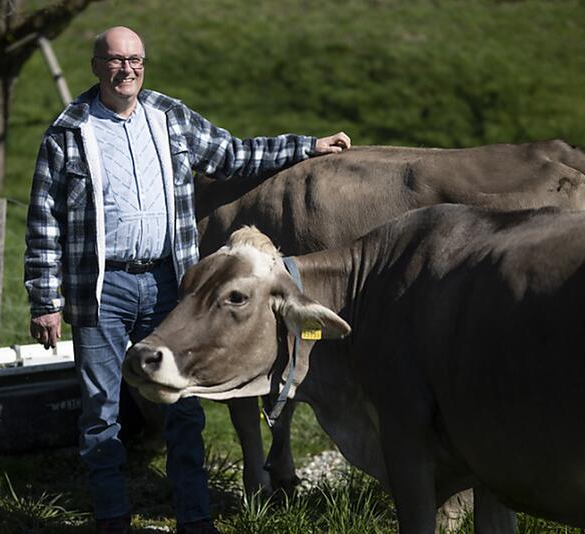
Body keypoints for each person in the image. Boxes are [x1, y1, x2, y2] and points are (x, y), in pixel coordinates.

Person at [24, 26, 350, 534]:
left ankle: (194, 519)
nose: (126, 69)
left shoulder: (168, 117)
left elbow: (233, 155)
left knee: (182, 409)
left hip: (168, 285)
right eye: (115, 60)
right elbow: (43, 219)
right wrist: (46, 298)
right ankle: (113, 519)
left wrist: (308, 145)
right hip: (100, 288)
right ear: (96, 66)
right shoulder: (68, 132)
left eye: (135, 60)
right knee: (99, 413)